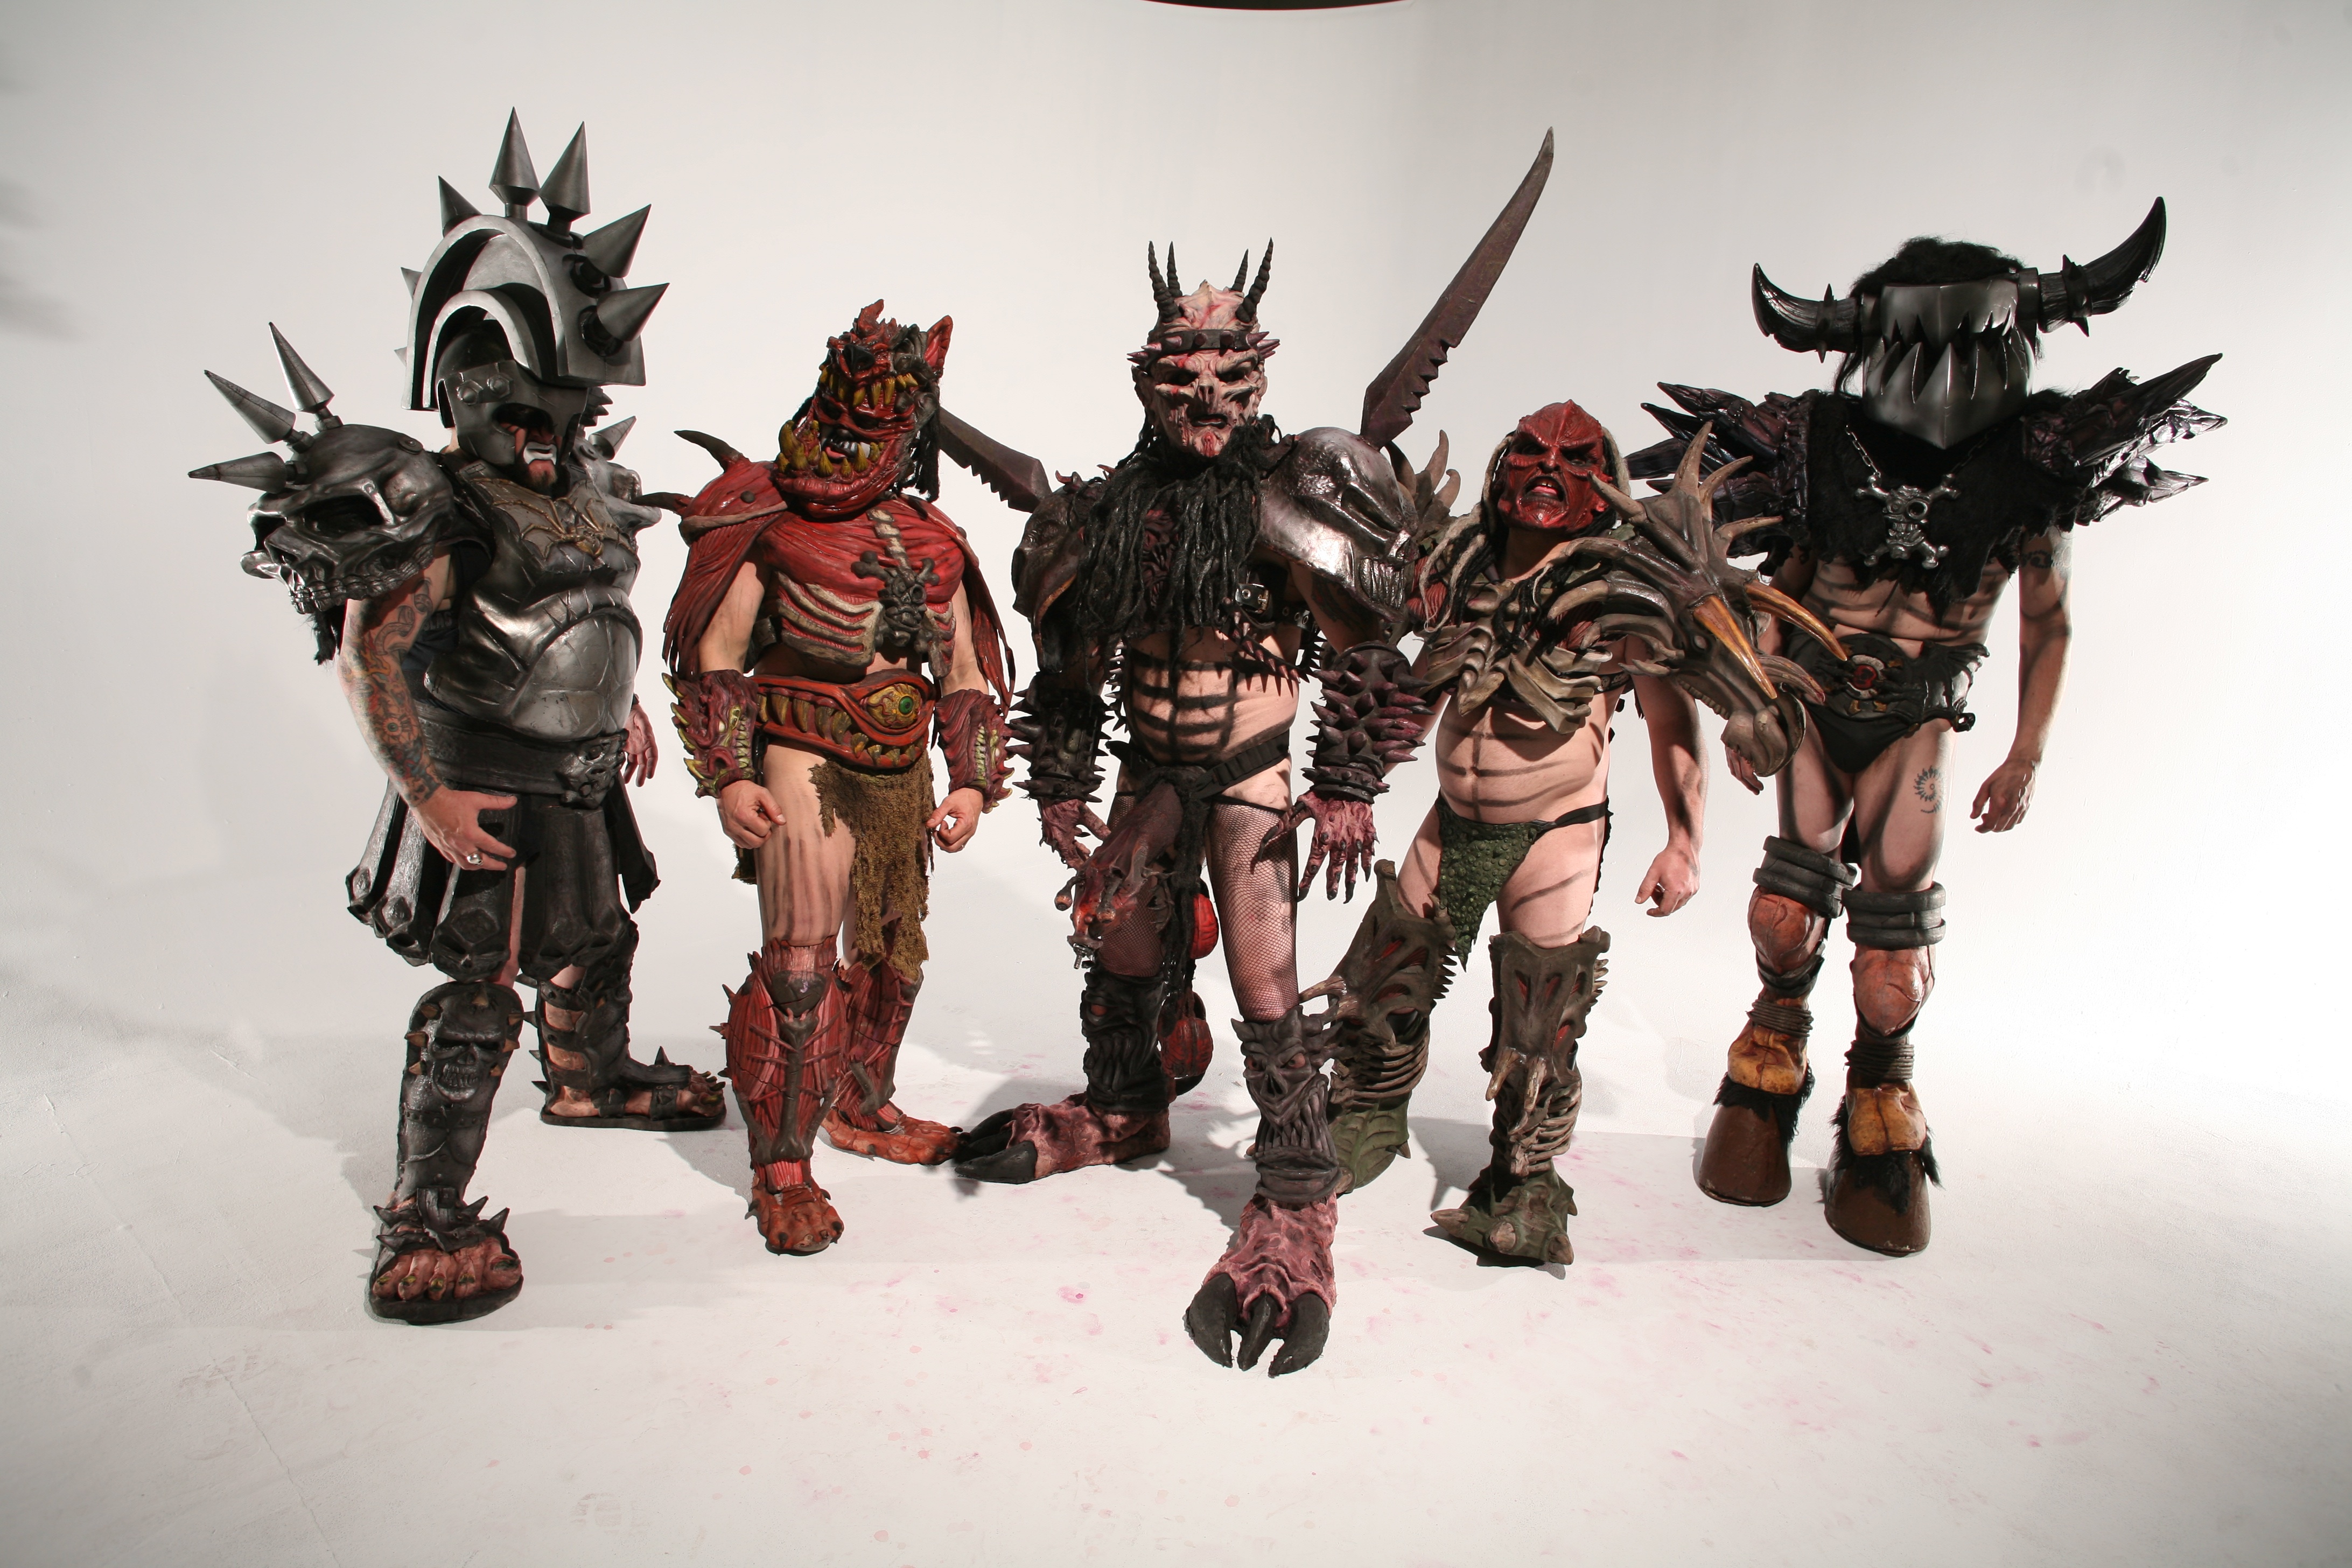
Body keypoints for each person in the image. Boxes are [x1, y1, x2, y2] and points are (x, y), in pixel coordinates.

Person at [191, 113, 719, 1322]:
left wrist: (626, 706)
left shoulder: (586, 487)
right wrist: (425, 794)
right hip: (483, 779)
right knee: (478, 995)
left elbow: (591, 610)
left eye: (565, 415)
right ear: (474, 390)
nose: (551, 437)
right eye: (530, 415)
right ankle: (426, 1211)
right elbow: (370, 655)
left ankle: (588, 1079)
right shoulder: (434, 501)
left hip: (582, 770)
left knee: (600, 938)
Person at [1633, 201, 2222, 1253]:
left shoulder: (2036, 464)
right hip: (1816, 708)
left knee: (1893, 958)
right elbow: (1782, 585)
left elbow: (2047, 619)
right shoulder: (1820, 446)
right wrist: (1756, 692)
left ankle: (1881, 1099)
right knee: (1783, 913)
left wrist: (2027, 752)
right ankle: (1769, 1058)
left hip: (1919, 725)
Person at [660, 302, 1015, 1256]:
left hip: (901, 773)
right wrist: (731, 776)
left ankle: (862, 1105)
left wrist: (970, 783)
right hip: (803, 754)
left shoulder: (937, 541)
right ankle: (782, 1164)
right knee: (802, 971)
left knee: (892, 954)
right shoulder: (768, 523)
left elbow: (965, 671)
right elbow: (719, 656)